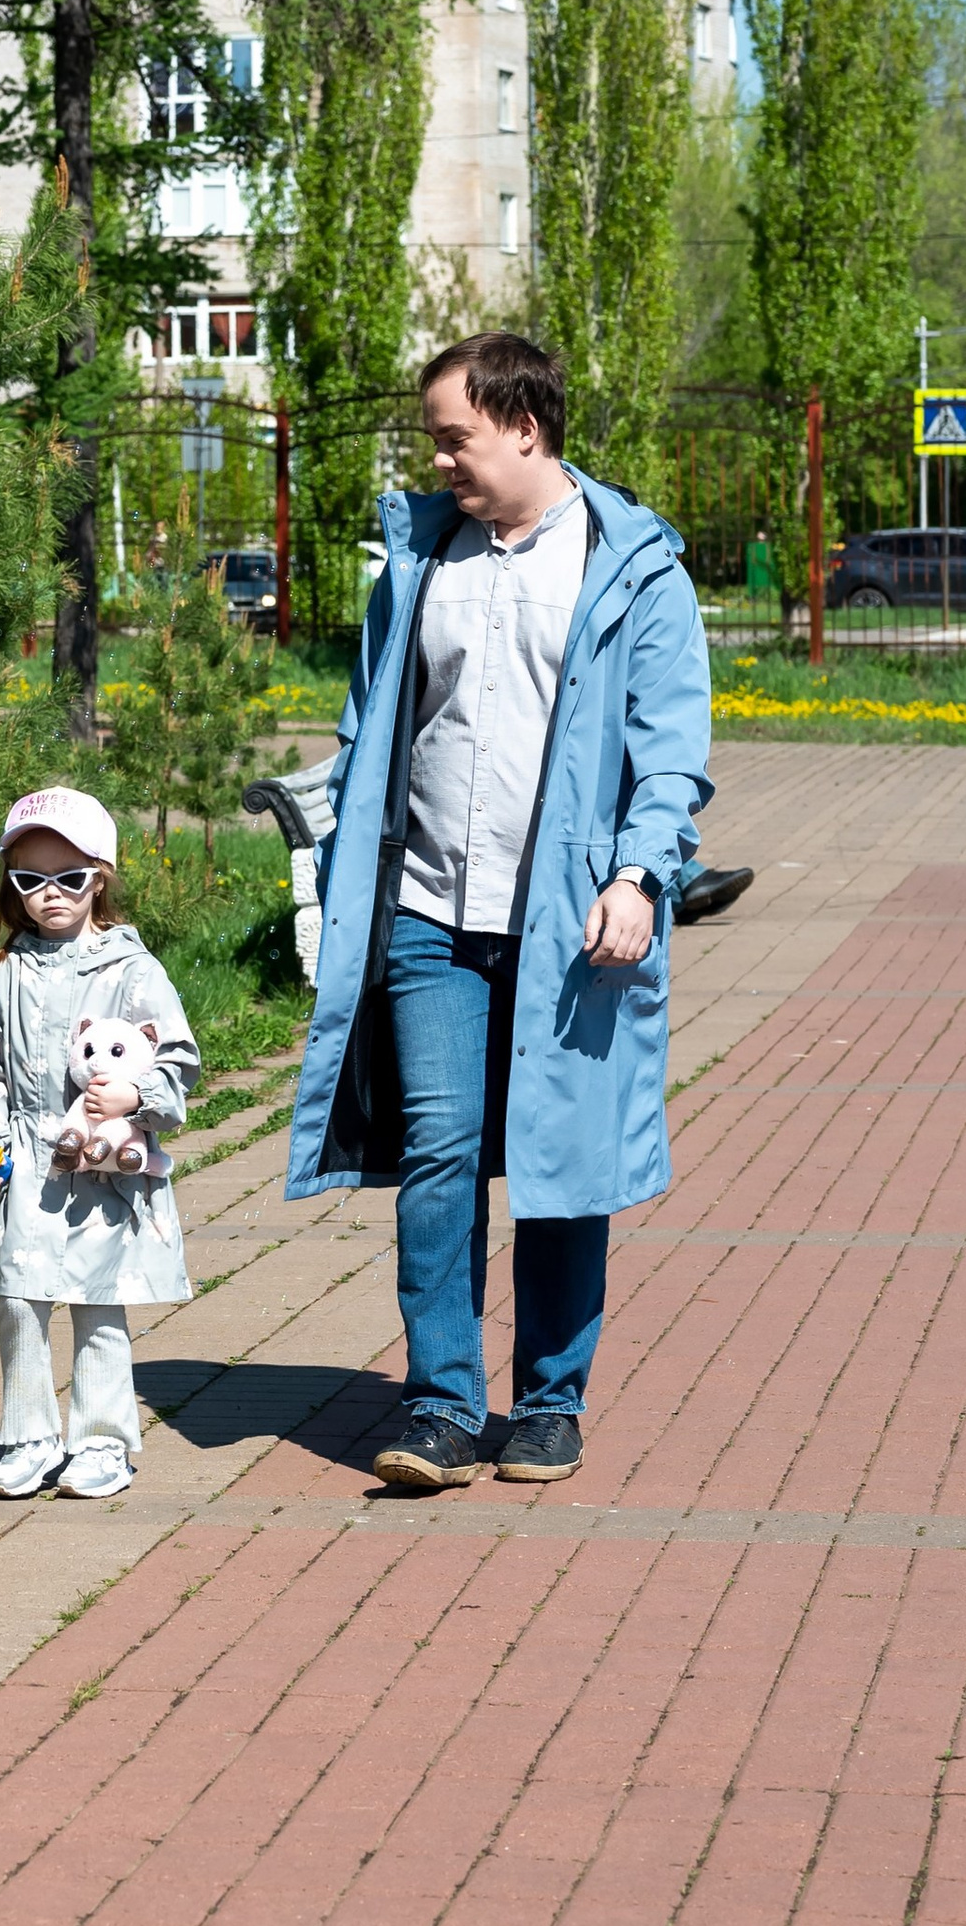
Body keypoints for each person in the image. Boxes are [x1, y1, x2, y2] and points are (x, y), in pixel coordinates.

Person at [286, 333, 711, 1495]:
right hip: (427, 905)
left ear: (523, 425)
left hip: (572, 921)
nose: (441, 460)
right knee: (437, 1149)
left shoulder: (633, 567)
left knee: (559, 1160)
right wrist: (330, 868)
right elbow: (369, 719)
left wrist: (639, 877)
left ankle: (549, 1403)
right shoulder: (422, 557)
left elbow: (669, 755)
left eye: (453, 436)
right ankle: (438, 1404)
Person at [0, 785, 198, 1503]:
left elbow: (176, 1059)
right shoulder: (1, 974)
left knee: (99, 1300)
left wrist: (137, 1097)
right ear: (12, 884)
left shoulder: (132, 969)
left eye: (68, 877)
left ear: (101, 876)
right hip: (28, 1161)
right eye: (30, 879)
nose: (48, 893)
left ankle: (102, 1441)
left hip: (104, 1167)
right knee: (19, 1300)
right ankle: (29, 1436)